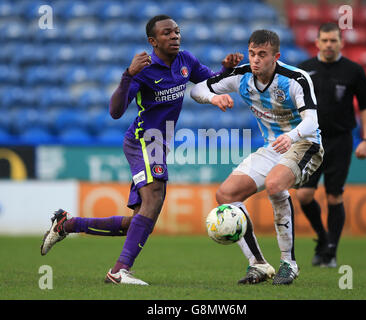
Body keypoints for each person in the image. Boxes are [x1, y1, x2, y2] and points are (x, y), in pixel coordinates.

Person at [40, 14, 243, 285]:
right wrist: (128, 75)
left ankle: (67, 224)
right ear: (153, 41)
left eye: (177, 32)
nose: (175, 37)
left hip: (160, 144)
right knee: (155, 197)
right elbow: (115, 112)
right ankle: (118, 271)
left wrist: (226, 69)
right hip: (142, 140)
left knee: (135, 222)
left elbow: (211, 82)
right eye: (167, 33)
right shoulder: (144, 68)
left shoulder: (186, 61)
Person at [190, 29, 324, 285]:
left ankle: (289, 263)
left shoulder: (296, 78)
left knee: (275, 184)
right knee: (226, 195)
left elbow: (312, 121)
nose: (255, 60)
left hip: (305, 143)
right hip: (273, 147)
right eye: (252, 53)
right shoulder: (242, 76)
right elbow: (196, 90)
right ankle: (259, 264)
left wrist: (292, 136)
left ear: (276, 56)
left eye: (262, 55)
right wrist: (214, 98)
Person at [295, 22, 366, 268]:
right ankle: (324, 237)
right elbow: (292, 105)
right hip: (311, 141)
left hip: (340, 140)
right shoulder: (304, 70)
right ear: (317, 42)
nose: (329, 44)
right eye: (325, 40)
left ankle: (330, 252)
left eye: (333, 40)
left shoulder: (354, 70)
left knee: (334, 196)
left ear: (341, 42)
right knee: (304, 195)